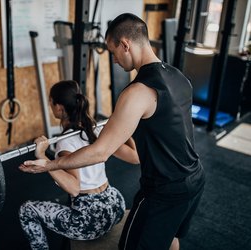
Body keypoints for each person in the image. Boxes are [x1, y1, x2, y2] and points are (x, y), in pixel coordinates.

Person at [19, 13, 205, 250]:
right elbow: (150, 143)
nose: (114, 60)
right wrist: (117, 127)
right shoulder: (178, 76)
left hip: (164, 192)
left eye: (113, 51)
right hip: (195, 178)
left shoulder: (137, 92)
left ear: (125, 44)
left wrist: (47, 164)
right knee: (170, 240)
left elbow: (100, 153)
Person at [18, 80, 139, 250]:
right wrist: (122, 126)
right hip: (115, 205)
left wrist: (43, 156)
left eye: (51, 103)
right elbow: (135, 157)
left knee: (27, 210)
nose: (51, 107)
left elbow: (74, 187)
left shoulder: (65, 143)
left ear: (59, 108)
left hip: (90, 220)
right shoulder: (97, 129)